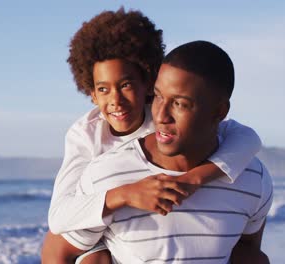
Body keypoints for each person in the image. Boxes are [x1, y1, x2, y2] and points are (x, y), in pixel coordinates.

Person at [42, 8, 261, 263]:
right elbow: (59, 217)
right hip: (102, 225)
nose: (115, 101)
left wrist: (195, 179)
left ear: (147, 81)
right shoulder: (87, 134)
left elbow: (248, 139)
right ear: (91, 93)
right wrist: (126, 194)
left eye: (125, 85)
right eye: (103, 89)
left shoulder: (159, 113)